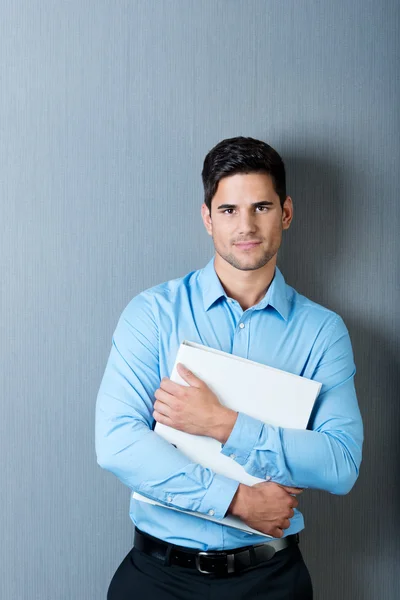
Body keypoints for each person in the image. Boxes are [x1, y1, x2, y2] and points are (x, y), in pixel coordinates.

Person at [95, 136, 363, 599]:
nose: (246, 226)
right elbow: (117, 443)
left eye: (261, 207)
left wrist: (223, 424)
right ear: (207, 218)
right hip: (157, 579)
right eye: (228, 210)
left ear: (286, 213)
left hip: (271, 581)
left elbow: (340, 464)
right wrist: (238, 502)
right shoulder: (152, 314)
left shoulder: (323, 332)